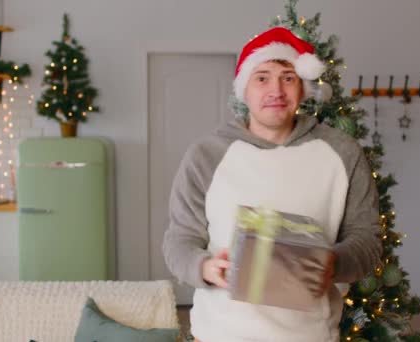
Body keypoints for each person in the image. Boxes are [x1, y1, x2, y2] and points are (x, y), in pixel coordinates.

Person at [162, 26, 382, 342]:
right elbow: (178, 240)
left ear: (303, 88)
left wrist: (334, 263)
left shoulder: (343, 153)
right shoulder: (206, 155)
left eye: (288, 78)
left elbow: (368, 241)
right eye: (262, 77)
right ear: (244, 89)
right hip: (219, 335)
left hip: (310, 336)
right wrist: (205, 267)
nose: (276, 90)